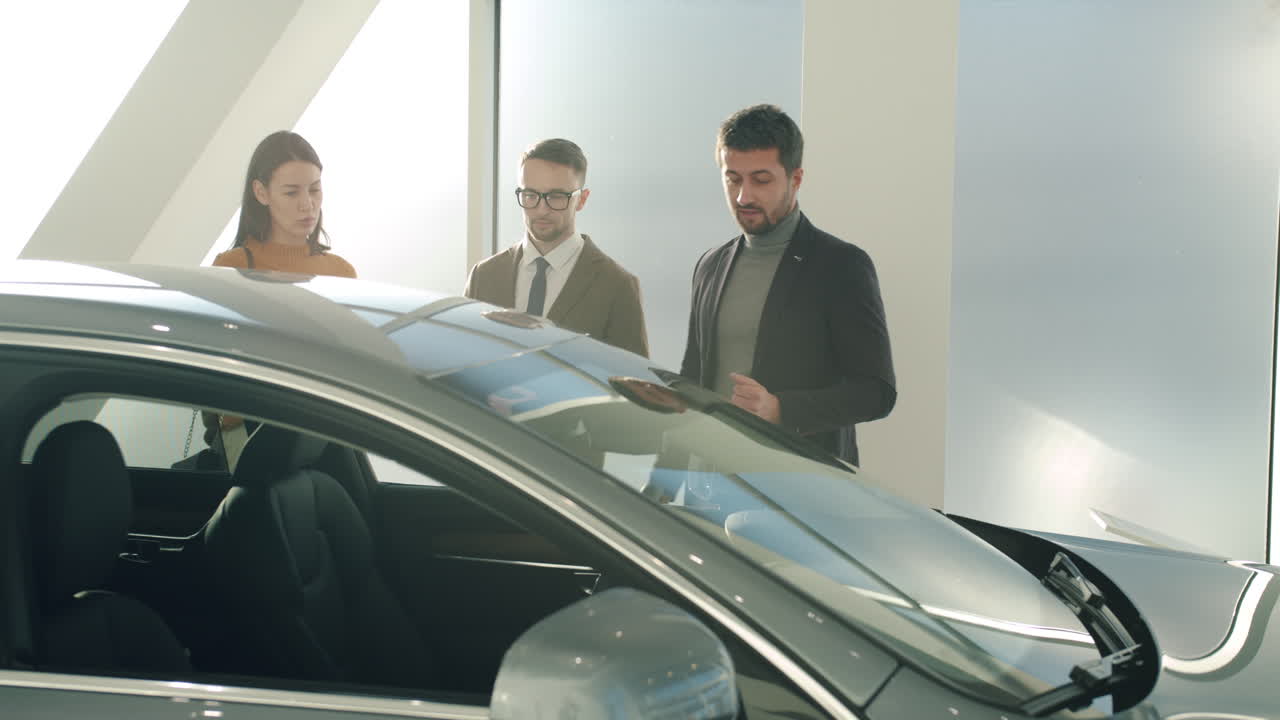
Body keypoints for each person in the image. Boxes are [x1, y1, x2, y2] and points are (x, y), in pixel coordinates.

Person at [680, 104, 895, 466]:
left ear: (796, 179)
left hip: (798, 484)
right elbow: (693, 375)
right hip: (712, 478)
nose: (744, 197)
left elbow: (877, 392)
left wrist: (781, 409)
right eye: (733, 179)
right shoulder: (710, 265)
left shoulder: (841, 266)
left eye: (761, 180)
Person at [464, 138, 649, 357]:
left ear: (582, 200)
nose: (542, 209)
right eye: (530, 195)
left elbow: (631, 376)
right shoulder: (483, 276)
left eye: (556, 196)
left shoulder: (617, 285)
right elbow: (463, 359)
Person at [212, 130, 356, 278]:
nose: (307, 205)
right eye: (291, 193)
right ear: (261, 193)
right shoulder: (231, 267)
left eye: (314, 190)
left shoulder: (342, 273)